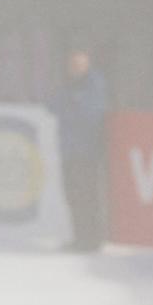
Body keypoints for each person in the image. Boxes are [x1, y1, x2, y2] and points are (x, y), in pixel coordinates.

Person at [48, 45, 109, 252]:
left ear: (87, 64)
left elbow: (90, 112)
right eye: (72, 64)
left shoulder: (95, 83)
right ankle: (79, 237)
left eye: (79, 64)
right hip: (68, 149)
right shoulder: (67, 85)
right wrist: (70, 102)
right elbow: (52, 105)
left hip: (87, 150)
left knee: (88, 196)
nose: (74, 68)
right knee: (72, 195)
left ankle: (92, 239)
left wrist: (71, 103)